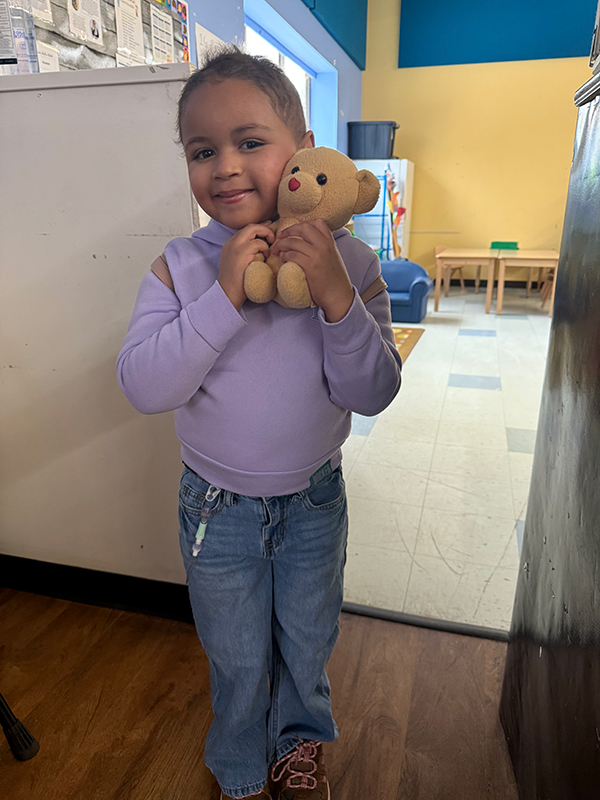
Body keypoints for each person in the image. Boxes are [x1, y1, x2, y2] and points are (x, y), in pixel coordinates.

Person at [116, 45, 402, 800]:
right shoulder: (179, 266)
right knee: (237, 652)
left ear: (304, 152)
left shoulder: (355, 265)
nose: (227, 167)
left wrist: (339, 297)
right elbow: (145, 385)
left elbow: (373, 393)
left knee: (308, 643)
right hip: (216, 509)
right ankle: (241, 764)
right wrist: (223, 297)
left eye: (251, 143)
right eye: (202, 151)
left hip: (313, 501)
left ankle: (299, 747)